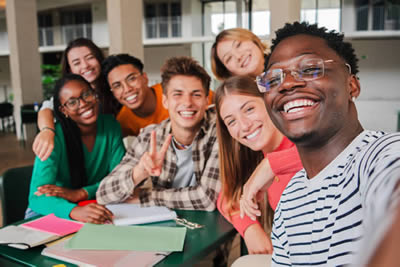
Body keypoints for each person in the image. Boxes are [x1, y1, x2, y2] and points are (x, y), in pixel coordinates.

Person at [241, 22, 400, 266]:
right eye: (273, 78)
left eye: (310, 68)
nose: (287, 84)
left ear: (351, 85)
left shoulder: (381, 155)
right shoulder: (290, 197)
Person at [96, 56, 220, 211]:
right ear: (165, 101)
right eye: (177, 94)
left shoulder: (220, 132)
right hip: (165, 221)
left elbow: (207, 198)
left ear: (206, 100)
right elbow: (103, 194)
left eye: (196, 94)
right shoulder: (150, 135)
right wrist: (139, 172)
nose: (187, 102)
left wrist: (144, 196)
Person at [214, 75, 302, 256]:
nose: (244, 126)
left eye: (249, 109)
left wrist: (271, 165)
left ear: (268, 101)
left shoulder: (304, 139)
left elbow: (332, 154)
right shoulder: (258, 154)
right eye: (231, 121)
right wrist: (249, 228)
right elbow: (226, 197)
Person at [27, 74, 125, 223]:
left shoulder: (111, 126)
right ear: (63, 110)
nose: (83, 103)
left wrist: (81, 193)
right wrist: (73, 210)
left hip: (95, 206)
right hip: (54, 210)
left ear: (94, 94)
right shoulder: (54, 137)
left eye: (86, 94)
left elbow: (120, 178)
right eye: (72, 102)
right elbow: (37, 197)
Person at [33, 38, 119, 161]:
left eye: (90, 57)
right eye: (76, 63)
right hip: (77, 158)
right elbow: (47, 108)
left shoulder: (114, 87)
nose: (85, 65)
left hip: (109, 156)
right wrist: (47, 131)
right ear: (70, 70)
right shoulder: (66, 95)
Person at [101, 54, 169, 137]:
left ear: (145, 78)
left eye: (131, 79)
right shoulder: (123, 121)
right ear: (113, 92)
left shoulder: (170, 92)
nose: (127, 89)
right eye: (117, 86)